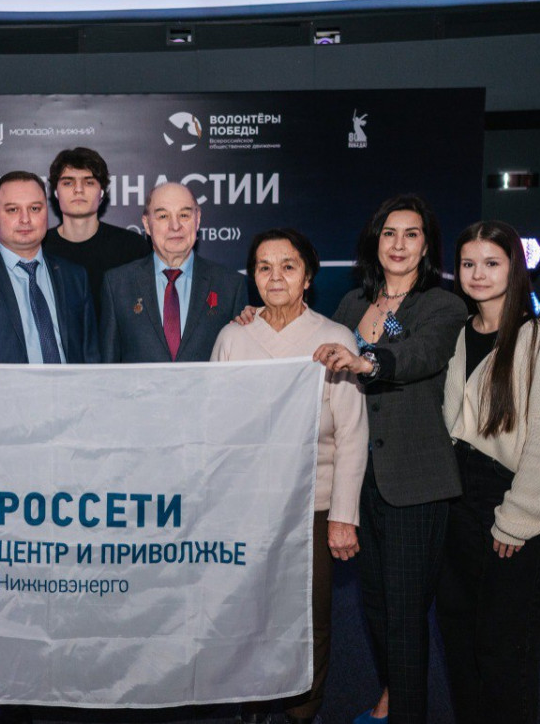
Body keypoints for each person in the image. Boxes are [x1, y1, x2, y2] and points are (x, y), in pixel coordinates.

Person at [311, 194, 467, 724]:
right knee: (375, 607)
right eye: (389, 233)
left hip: (415, 482)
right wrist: (257, 316)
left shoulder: (442, 305)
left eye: (411, 234)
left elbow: (421, 355)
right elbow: (312, 344)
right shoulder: (352, 303)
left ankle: (403, 713)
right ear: (374, 242)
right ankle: (392, 696)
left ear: (426, 246)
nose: (399, 244)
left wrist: (367, 361)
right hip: (358, 479)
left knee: (404, 614)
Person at [211, 228, 368, 724]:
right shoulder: (233, 337)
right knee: (248, 612)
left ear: (308, 277)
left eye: (288, 266)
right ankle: (252, 703)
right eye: (264, 267)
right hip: (247, 507)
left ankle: (304, 708)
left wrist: (342, 516)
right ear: (253, 277)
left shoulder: (335, 339)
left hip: (312, 506)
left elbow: (353, 435)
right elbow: (215, 430)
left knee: (310, 615)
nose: (275, 277)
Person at [435, 221, 540, 724]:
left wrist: (517, 520)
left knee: (505, 651)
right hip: (458, 499)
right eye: (468, 263)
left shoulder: (538, 339)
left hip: (511, 501)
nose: (478, 273)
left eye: (491, 263)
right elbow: (393, 336)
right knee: (459, 640)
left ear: (514, 268)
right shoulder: (458, 333)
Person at [0, 170, 100, 364]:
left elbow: (91, 358)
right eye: (13, 210)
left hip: (70, 385)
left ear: (46, 211)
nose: (25, 219)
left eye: (35, 209)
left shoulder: (74, 276)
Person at [100, 182, 246, 362]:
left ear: (197, 219)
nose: (175, 226)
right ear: (147, 224)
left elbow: (239, 369)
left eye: (184, 215)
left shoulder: (231, 286)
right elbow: (108, 368)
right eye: (163, 216)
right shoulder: (117, 285)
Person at [41, 146, 150, 314]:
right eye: (68, 183)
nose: (78, 189)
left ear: (102, 192)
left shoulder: (131, 248)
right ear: (56, 192)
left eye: (89, 182)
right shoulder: (40, 248)